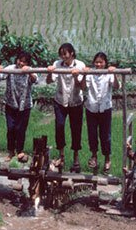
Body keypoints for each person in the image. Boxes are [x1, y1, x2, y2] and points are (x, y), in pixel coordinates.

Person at [47, 43, 86, 172]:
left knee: (76, 130)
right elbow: (49, 81)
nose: (63, 56)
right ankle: (61, 156)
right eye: (61, 54)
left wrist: (76, 76)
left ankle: (75, 158)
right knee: (59, 126)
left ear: (72, 53)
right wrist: (49, 72)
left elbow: (82, 86)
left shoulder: (80, 65)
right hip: (60, 100)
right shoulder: (57, 64)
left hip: (76, 102)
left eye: (65, 53)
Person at [82, 52, 119, 174]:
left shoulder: (109, 74)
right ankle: (94, 156)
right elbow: (83, 87)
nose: (98, 64)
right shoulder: (90, 74)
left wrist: (114, 73)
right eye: (96, 62)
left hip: (105, 108)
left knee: (105, 136)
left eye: (101, 62)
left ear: (105, 63)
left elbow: (116, 86)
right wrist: (83, 74)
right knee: (92, 134)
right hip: (91, 108)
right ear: (94, 63)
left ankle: (107, 159)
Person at [2, 51, 37, 163]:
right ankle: (11, 151)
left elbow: (35, 79)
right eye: (19, 60)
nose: (21, 63)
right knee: (11, 128)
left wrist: (30, 72)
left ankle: (20, 150)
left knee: (20, 129)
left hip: (24, 105)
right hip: (11, 104)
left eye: (24, 61)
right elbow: (0, 76)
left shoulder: (29, 70)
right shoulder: (11, 68)